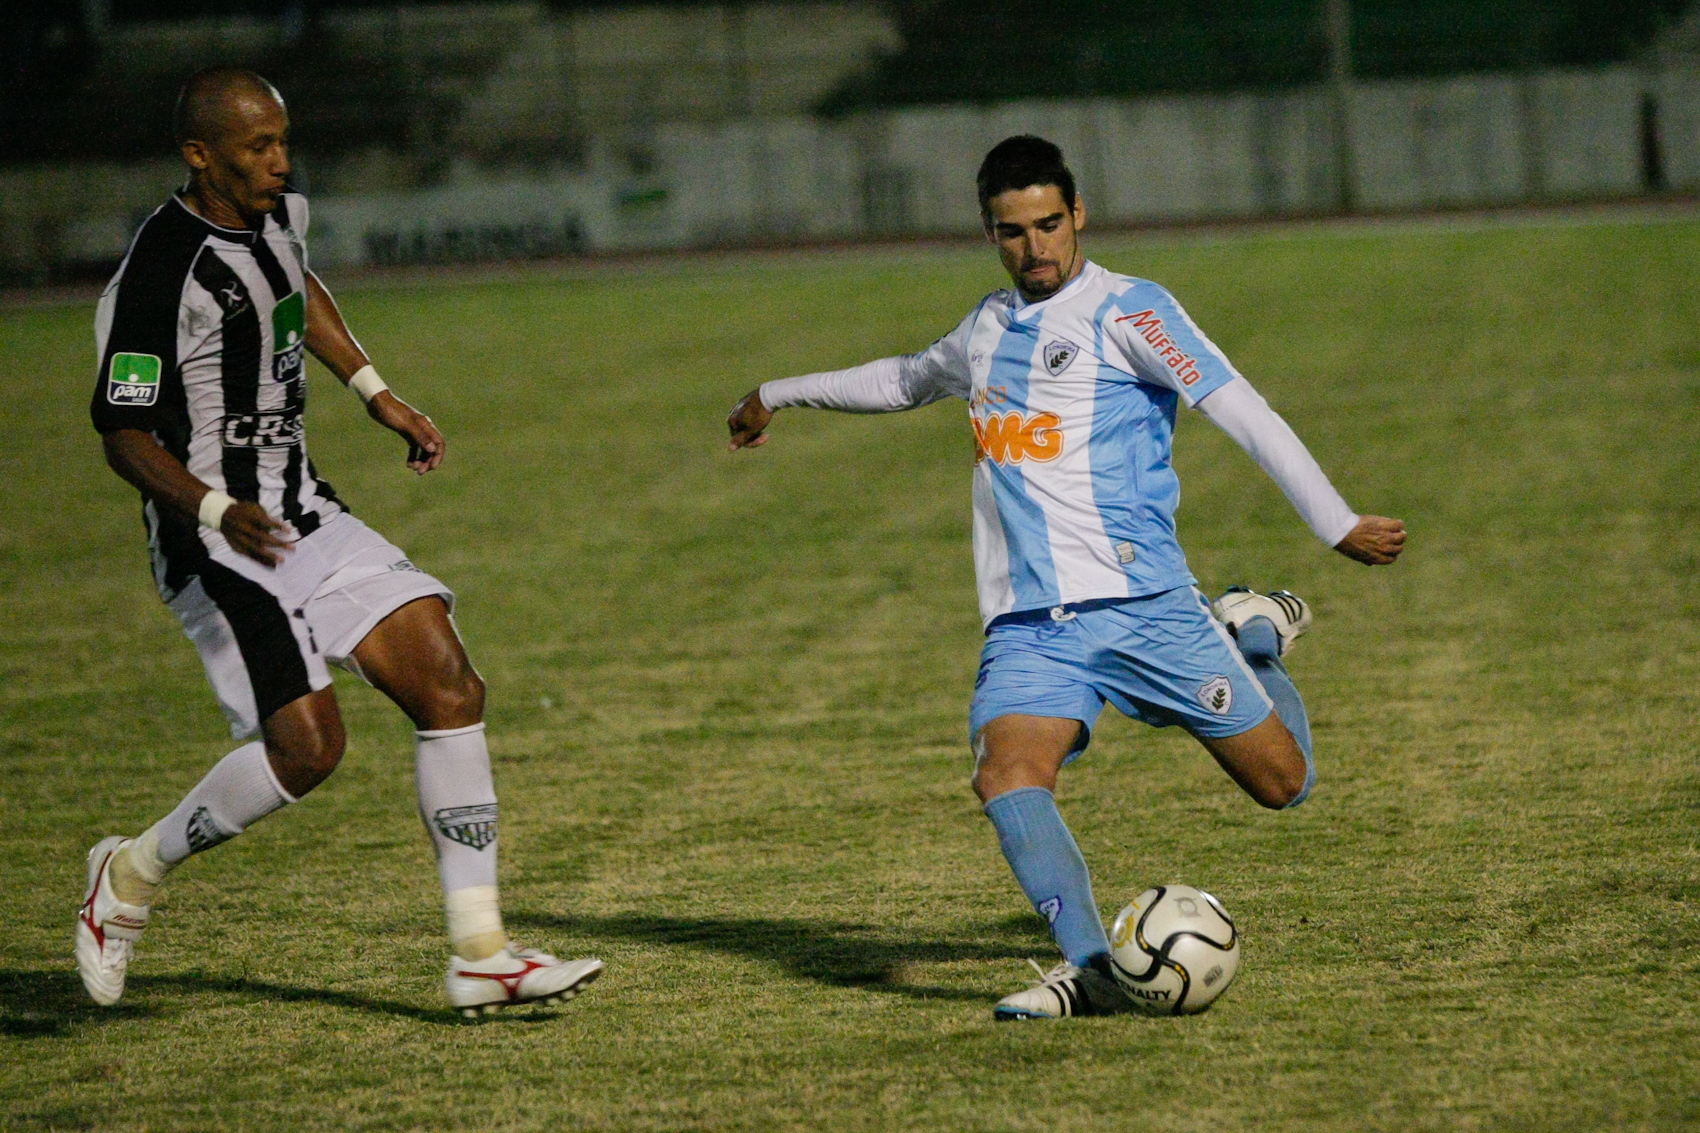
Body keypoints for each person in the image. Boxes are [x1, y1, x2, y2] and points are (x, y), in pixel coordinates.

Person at [726, 135, 1405, 1020]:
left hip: (1147, 607)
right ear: (990, 233)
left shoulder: (1132, 311)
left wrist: (1334, 520)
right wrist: (775, 391)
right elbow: (900, 379)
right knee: (1007, 772)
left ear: (1078, 214)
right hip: (1030, 626)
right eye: (1013, 232)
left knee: (1285, 783)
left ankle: (1257, 634)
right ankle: (1090, 967)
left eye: (1050, 224)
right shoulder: (985, 330)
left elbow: (1237, 405)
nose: (1035, 247)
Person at [76, 67, 602, 1017]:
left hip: (303, 507)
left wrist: (375, 392)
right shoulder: (159, 273)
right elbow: (123, 435)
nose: (281, 163)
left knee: (448, 678)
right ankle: (128, 874)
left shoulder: (274, 213)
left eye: (284, 141)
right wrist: (210, 511)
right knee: (309, 751)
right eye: (258, 148)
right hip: (218, 536)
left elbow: (296, 280)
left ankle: (481, 950)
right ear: (201, 156)